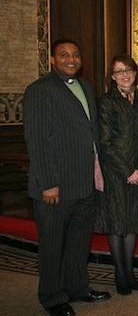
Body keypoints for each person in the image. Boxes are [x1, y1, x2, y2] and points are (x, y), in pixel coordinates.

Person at [23, 38, 111, 316]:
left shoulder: (85, 87)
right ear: (52, 60)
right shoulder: (39, 90)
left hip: (84, 182)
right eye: (63, 55)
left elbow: (91, 133)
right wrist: (48, 183)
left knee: (78, 241)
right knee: (52, 243)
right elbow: (37, 140)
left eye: (75, 54)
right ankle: (52, 297)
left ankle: (78, 287)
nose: (71, 59)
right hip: (56, 185)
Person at [95, 54, 138, 295]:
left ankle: (130, 272)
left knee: (133, 221)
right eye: (119, 71)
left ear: (135, 72)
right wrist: (127, 171)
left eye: (128, 70)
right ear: (112, 77)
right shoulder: (106, 101)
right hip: (116, 171)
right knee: (117, 222)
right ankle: (119, 274)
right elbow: (105, 142)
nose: (125, 74)